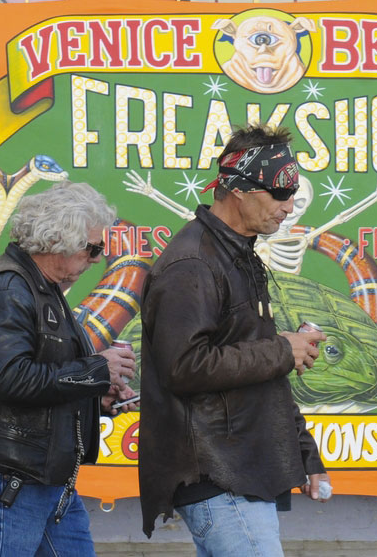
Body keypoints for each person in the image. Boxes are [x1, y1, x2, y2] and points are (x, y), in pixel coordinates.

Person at [138, 124, 331, 555]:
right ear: (239, 189)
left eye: (294, 193)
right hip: (217, 474)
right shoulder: (193, 263)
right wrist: (280, 350)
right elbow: (182, 366)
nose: (289, 205)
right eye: (280, 193)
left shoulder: (236, 254)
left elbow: (260, 369)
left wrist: (304, 453)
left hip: (240, 466)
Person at [0, 180, 137, 557]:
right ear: (56, 241)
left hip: (44, 477)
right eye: (92, 248)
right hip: (10, 480)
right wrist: (97, 371)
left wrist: (98, 395)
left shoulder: (40, 289)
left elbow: (45, 378)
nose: (97, 258)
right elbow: (12, 381)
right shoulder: (7, 291)